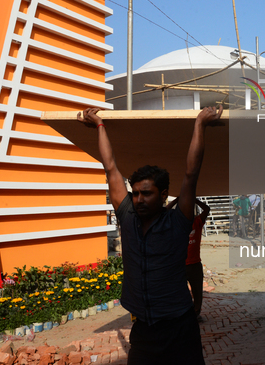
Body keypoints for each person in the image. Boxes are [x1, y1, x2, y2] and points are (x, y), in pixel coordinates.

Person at [78, 105, 223, 365]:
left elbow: (191, 174)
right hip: (144, 329)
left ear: (164, 194)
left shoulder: (178, 222)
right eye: (135, 193)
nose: (139, 199)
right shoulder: (127, 217)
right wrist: (99, 126)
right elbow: (110, 168)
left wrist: (200, 123)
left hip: (180, 327)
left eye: (147, 193)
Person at [166, 197, 210, 317]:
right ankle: (184, 314)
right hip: (179, 265)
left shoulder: (197, 221)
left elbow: (207, 209)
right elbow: (163, 212)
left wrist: (194, 199)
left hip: (195, 264)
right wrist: (177, 200)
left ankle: (196, 314)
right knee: (179, 293)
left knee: (197, 293)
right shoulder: (175, 223)